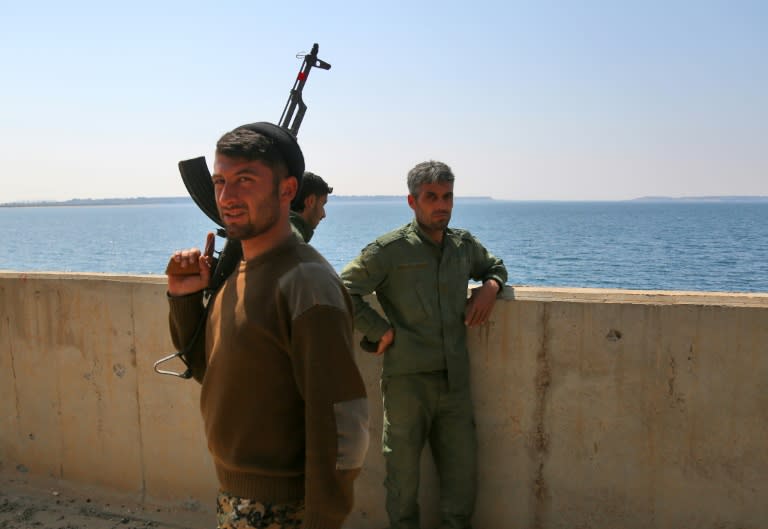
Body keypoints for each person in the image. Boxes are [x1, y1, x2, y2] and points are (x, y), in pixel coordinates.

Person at [166, 122, 369, 529]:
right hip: (239, 500)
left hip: (283, 509)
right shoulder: (243, 273)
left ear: (287, 190)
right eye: (220, 181)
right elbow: (210, 370)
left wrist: (322, 521)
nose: (227, 196)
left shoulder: (306, 283)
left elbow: (343, 424)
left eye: (245, 180)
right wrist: (185, 299)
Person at [340, 160, 507, 529]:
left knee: (462, 483)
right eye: (431, 197)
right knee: (402, 481)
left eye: (447, 196)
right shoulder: (390, 250)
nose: (441, 205)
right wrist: (378, 329)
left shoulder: (463, 246)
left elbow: (495, 266)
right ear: (412, 201)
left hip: (455, 383)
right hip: (406, 382)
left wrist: (490, 288)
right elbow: (342, 289)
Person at [290, 171, 333, 243]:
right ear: (311, 201)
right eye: (322, 205)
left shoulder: (276, 231)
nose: (324, 215)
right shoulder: (295, 245)